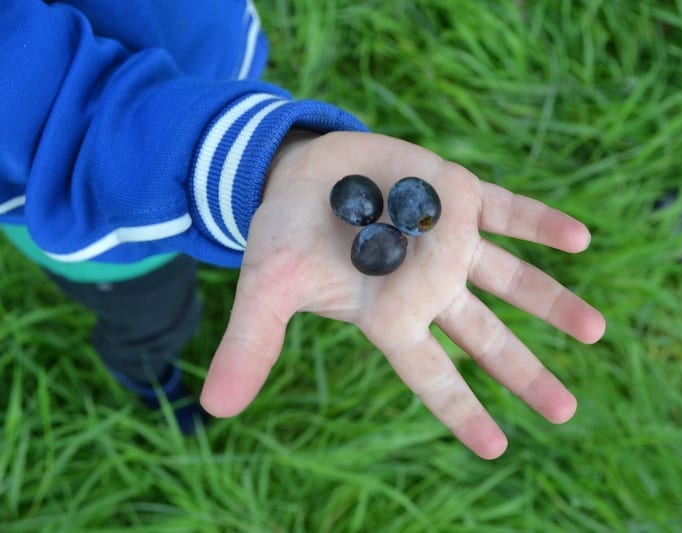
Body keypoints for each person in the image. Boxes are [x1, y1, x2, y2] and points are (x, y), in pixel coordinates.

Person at [0, 1, 605, 460]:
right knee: (150, 314)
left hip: (206, 56)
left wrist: (277, 152)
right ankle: (147, 374)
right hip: (82, 201)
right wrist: (224, 153)